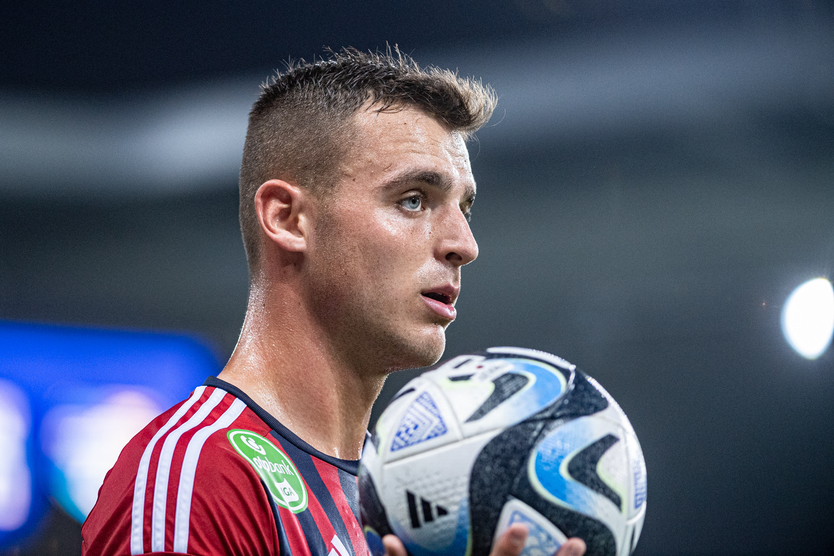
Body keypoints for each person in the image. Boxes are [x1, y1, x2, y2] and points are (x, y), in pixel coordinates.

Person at [82, 47, 587, 556]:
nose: (465, 245)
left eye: (465, 209)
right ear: (286, 219)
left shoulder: (394, 510)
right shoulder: (198, 474)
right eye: (413, 200)